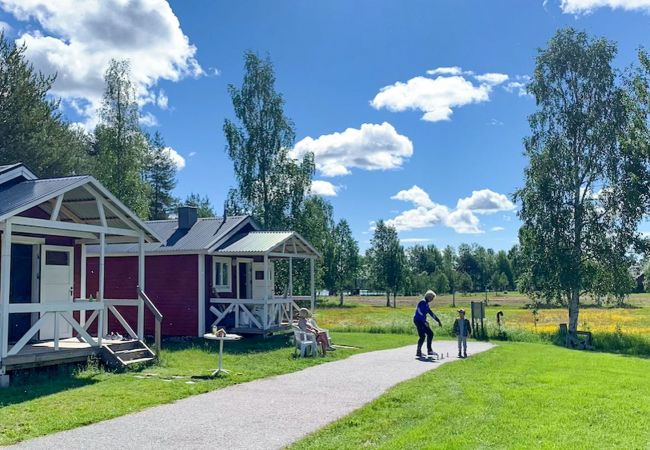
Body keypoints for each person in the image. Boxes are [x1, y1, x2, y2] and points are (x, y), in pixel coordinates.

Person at [413, 290, 442, 357]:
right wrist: (424, 321)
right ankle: (418, 351)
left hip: (422, 321)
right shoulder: (422, 302)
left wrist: (438, 320)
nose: (432, 300)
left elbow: (431, 313)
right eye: (432, 298)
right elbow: (420, 313)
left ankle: (429, 351)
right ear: (428, 296)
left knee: (430, 334)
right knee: (422, 336)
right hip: (418, 321)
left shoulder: (426, 304)